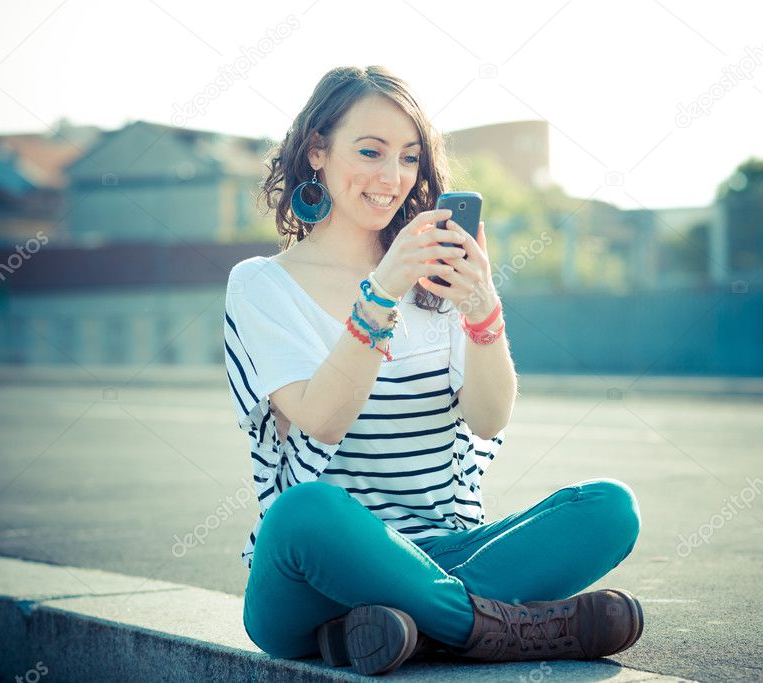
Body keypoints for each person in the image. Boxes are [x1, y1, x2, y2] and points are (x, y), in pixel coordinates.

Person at [224, 65, 643, 677]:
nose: (392, 178)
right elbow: (321, 419)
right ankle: (500, 629)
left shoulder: (434, 278)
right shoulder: (261, 284)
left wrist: (481, 308)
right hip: (314, 573)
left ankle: (402, 631)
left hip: (444, 546)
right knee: (305, 512)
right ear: (317, 149)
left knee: (609, 508)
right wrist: (382, 291)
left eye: (409, 159)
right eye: (370, 151)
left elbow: (489, 416)